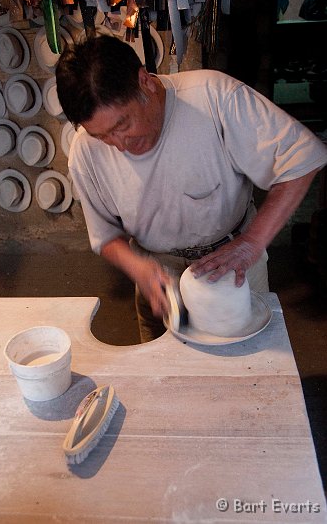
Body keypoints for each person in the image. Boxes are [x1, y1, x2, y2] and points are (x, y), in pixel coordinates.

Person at [56, 35, 327, 342]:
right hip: (159, 276)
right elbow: (105, 236)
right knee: (171, 379)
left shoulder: (214, 97)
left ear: (144, 81)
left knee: (248, 368)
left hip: (235, 265)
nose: (119, 145)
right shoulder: (84, 152)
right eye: (103, 136)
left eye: (122, 125)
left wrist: (252, 243)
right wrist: (138, 268)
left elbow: (302, 158)